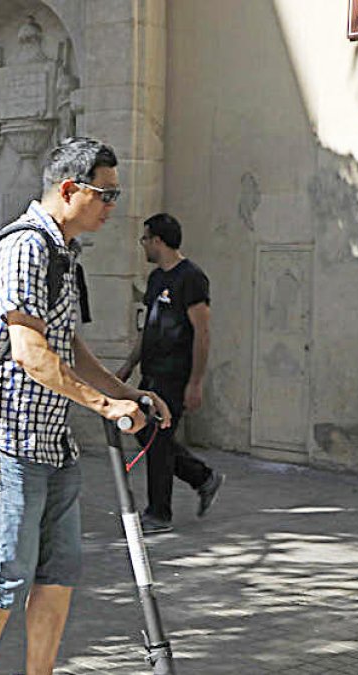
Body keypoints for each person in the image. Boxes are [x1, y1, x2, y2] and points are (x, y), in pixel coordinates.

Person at [0, 137, 172, 675]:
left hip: (54, 445)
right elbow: (32, 355)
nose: (112, 207)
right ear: (70, 189)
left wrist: (130, 396)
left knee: (58, 574)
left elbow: (70, 348)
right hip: (8, 444)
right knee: (7, 578)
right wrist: (104, 406)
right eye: (105, 195)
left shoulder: (62, 252)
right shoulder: (26, 247)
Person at [116, 213, 224, 534]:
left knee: (158, 442)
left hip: (175, 376)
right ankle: (203, 477)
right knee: (145, 434)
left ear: (158, 241)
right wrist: (128, 366)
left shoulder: (191, 278)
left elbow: (202, 333)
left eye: (145, 239)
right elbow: (147, 328)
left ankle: (159, 513)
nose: (143, 245)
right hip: (151, 373)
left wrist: (195, 382)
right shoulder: (155, 280)